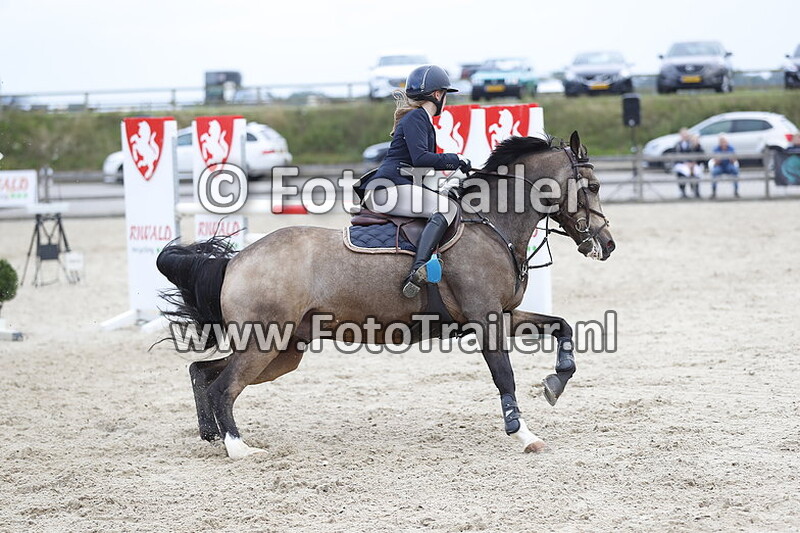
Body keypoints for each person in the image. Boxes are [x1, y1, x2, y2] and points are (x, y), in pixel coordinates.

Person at [359, 65, 471, 298]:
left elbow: (422, 167)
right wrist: (455, 159)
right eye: (446, 94)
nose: (446, 100)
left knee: (447, 201)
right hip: (388, 189)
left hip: (398, 186)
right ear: (438, 95)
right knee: (445, 209)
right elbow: (421, 158)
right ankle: (417, 269)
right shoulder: (416, 118)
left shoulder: (422, 120)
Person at [672, 128, 704, 199]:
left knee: (696, 172)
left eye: (686, 134)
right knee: (682, 173)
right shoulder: (677, 145)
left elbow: (698, 154)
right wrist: (685, 162)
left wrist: (692, 162)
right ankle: (683, 192)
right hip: (682, 164)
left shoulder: (692, 143)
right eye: (683, 134)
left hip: (692, 164)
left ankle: (696, 191)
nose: (685, 136)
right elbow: (676, 156)